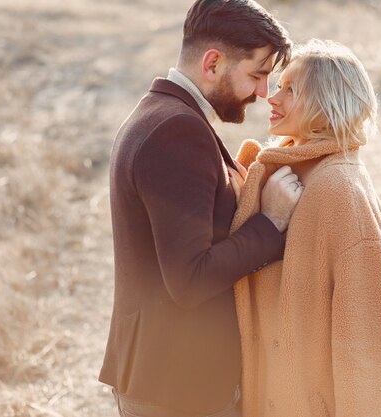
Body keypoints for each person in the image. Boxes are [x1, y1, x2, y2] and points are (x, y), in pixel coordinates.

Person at [99, 1, 302, 416]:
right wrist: (271, 221)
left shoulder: (158, 114)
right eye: (257, 74)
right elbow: (190, 279)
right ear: (212, 63)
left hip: (167, 377)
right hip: (180, 387)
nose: (263, 92)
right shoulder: (177, 130)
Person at [230, 39, 381, 417]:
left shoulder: (338, 190)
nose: (272, 98)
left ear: (328, 103)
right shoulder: (282, 171)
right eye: (278, 85)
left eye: (291, 89)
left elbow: (370, 344)